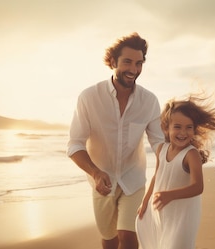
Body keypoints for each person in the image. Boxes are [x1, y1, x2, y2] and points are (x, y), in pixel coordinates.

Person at [67, 32, 164, 249]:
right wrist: (95, 172)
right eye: (127, 62)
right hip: (101, 182)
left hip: (134, 180)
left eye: (139, 63)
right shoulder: (89, 97)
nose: (133, 69)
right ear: (112, 62)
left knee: (128, 237)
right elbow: (74, 144)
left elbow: (159, 144)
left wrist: (181, 158)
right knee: (109, 239)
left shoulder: (149, 101)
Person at [136, 93, 215, 249]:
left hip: (183, 216)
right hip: (164, 212)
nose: (183, 132)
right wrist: (145, 202)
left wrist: (170, 195)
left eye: (189, 127)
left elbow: (198, 186)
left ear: (194, 130)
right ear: (165, 128)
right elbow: (157, 177)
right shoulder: (161, 149)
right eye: (177, 127)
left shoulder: (191, 154)